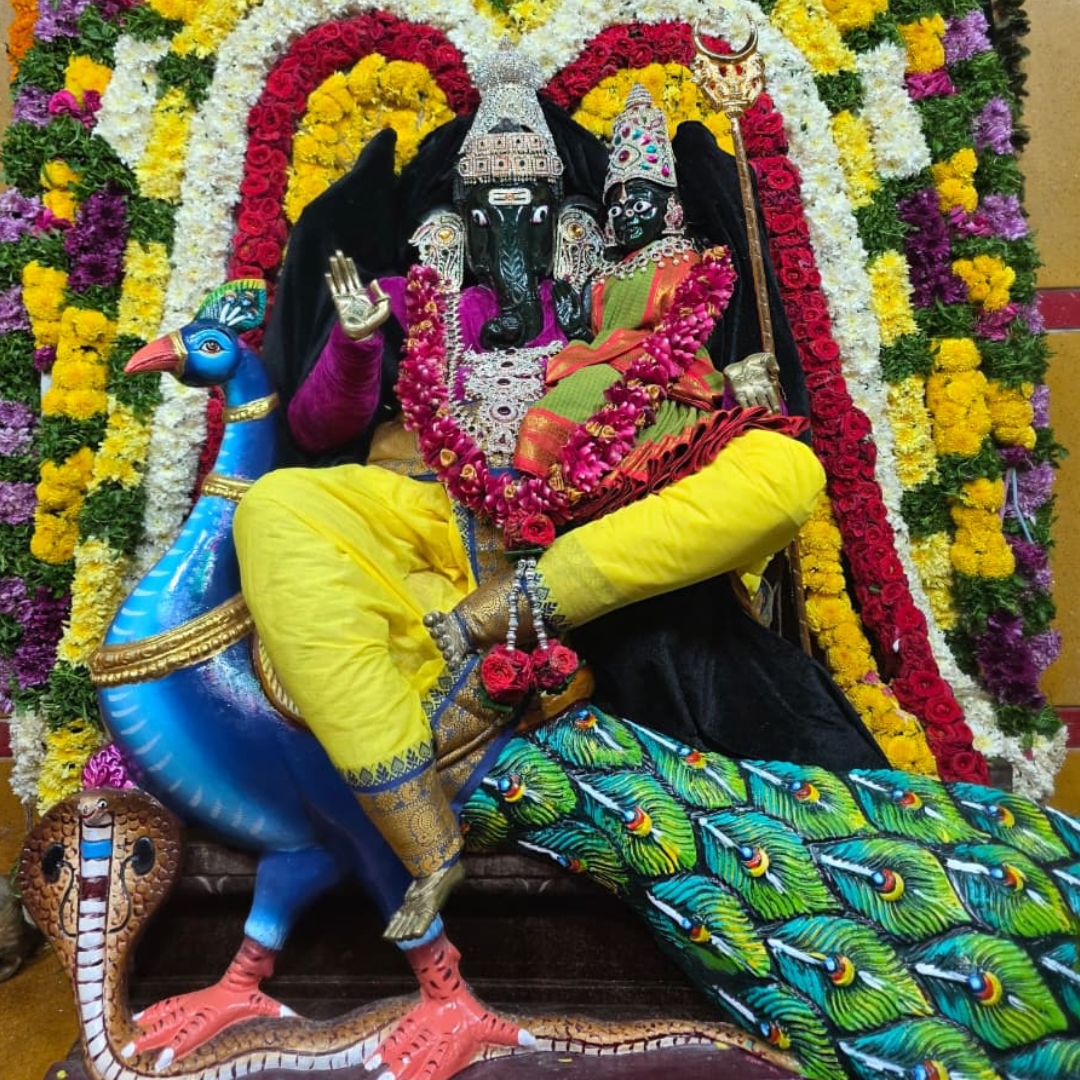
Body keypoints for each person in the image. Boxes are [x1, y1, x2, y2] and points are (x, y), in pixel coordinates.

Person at [233, 64, 887, 956]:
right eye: (489, 203)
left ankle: (524, 609)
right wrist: (355, 348)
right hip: (422, 523)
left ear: (568, 216)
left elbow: (671, 409)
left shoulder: (611, 301)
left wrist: (727, 393)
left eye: (532, 204)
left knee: (779, 467)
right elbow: (316, 426)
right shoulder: (408, 300)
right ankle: (422, 829)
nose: (511, 223)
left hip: (585, 534)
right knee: (277, 503)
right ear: (454, 214)